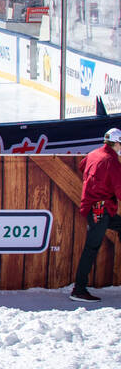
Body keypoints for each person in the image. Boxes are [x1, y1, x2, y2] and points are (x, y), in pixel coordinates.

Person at [69, 127, 121, 302]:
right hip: (100, 208)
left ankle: (79, 288)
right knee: (91, 248)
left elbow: (82, 165)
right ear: (116, 143)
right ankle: (79, 289)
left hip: (96, 206)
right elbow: (119, 188)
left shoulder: (94, 154)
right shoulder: (111, 161)